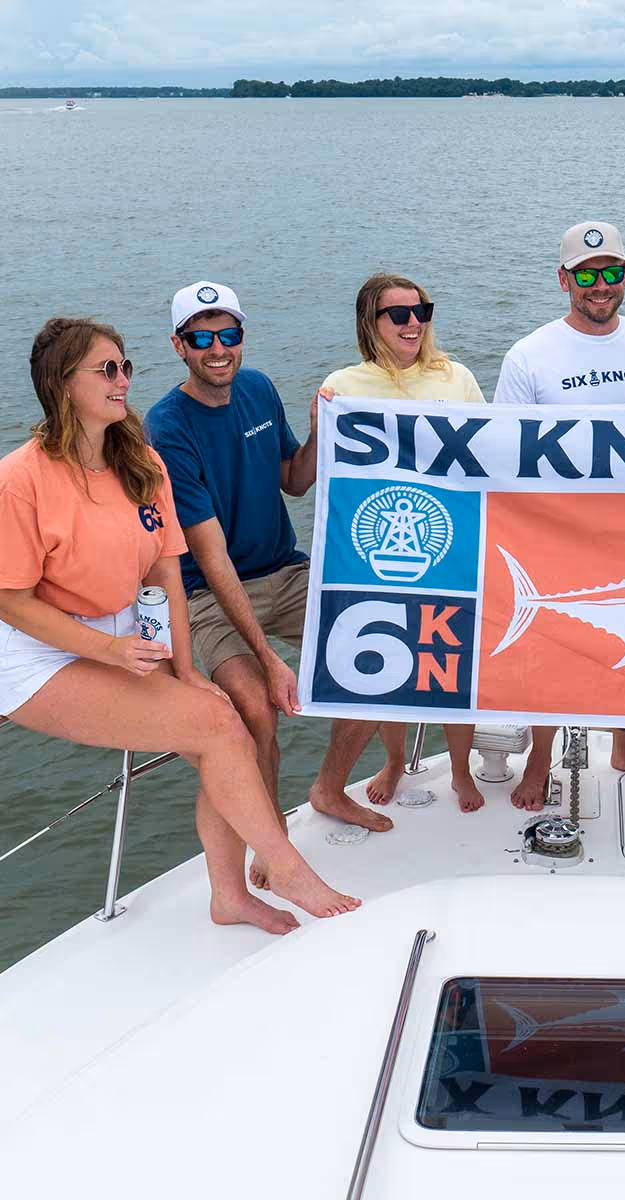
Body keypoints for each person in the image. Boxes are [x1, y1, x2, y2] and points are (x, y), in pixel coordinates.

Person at [0, 318, 359, 933]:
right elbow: (12, 602)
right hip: (41, 653)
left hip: (129, 634)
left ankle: (230, 896)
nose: (122, 380)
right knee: (218, 727)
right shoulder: (20, 480)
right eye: (106, 370)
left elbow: (166, 572)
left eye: (125, 367)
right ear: (62, 383)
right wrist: (109, 650)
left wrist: (187, 669)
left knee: (222, 724)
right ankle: (286, 867)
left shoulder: (140, 461)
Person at [145, 281, 399, 892]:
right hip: (208, 594)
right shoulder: (166, 427)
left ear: (242, 338)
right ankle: (272, 838)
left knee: (386, 653)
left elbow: (295, 480)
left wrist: (317, 433)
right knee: (257, 707)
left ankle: (329, 789)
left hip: (283, 572)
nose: (218, 349)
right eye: (202, 338)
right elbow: (211, 558)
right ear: (179, 346)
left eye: (228, 334)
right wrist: (268, 656)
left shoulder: (258, 388)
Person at [492, 220, 625, 809]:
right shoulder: (528, 356)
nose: (600, 285)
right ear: (563, 279)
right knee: (553, 648)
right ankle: (539, 758)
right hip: (558, 533)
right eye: (585, 275)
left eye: (611, 272)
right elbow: (502, 453)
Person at [319, 271, 486, 813]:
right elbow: (326, 475)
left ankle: (460, 770)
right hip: (377, 554)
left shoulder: (456, 378)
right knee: (389, 662)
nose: (414, 322)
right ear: (371, 322)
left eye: (422, 311)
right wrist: (323, 419)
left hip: (452, 545)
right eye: (399, 314)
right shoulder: (343, 387)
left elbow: (493, 454)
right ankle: (394, 762)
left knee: (451, 664)